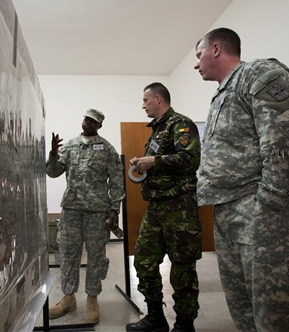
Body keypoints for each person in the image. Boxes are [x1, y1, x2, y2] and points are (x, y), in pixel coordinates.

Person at [193, 27, 289, 331]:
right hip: (229, 210)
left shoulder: (259, 74)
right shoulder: (222, 94)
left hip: (262, 213)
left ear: (215, 49)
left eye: (198, 55)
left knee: (279, 311)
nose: (196, 64)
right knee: (244, 308)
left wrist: (271, 199)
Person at [126, 82, 202, 332]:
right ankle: (156, 318)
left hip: (179, 207)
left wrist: (153, 161)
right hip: (157, 207)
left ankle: (184, 324)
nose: (143, 104)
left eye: (146, 100)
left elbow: (190, 159)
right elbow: (159, 164)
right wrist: (144, 164)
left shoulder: (181, 124)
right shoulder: (157, 130)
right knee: (144, 261)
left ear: (159, 99)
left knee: (181, 268)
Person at [46, 109, 125, 325]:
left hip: (97, 212)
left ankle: (92, 299)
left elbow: (117, 180)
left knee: (96, 256)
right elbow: (53, 172)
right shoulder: (70, 145)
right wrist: (53, 154)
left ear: (99, 126)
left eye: (93, 121)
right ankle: (69, 298)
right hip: (71, 210)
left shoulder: (107, 149)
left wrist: (114, 208)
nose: (88, 123)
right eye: (86, 119)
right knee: (68, 254)